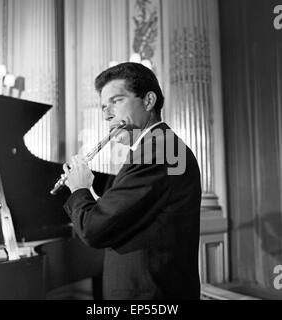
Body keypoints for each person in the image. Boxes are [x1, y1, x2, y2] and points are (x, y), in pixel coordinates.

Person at [63, 62, 202, 300]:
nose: (107, 114)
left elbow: (94, 229)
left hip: (151, 295)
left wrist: (79, 189)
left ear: (148, 101)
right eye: (104, 107)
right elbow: (129, 216)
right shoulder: (156, 147)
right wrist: (92, 194)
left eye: (116, 101)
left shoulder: (161, 150)